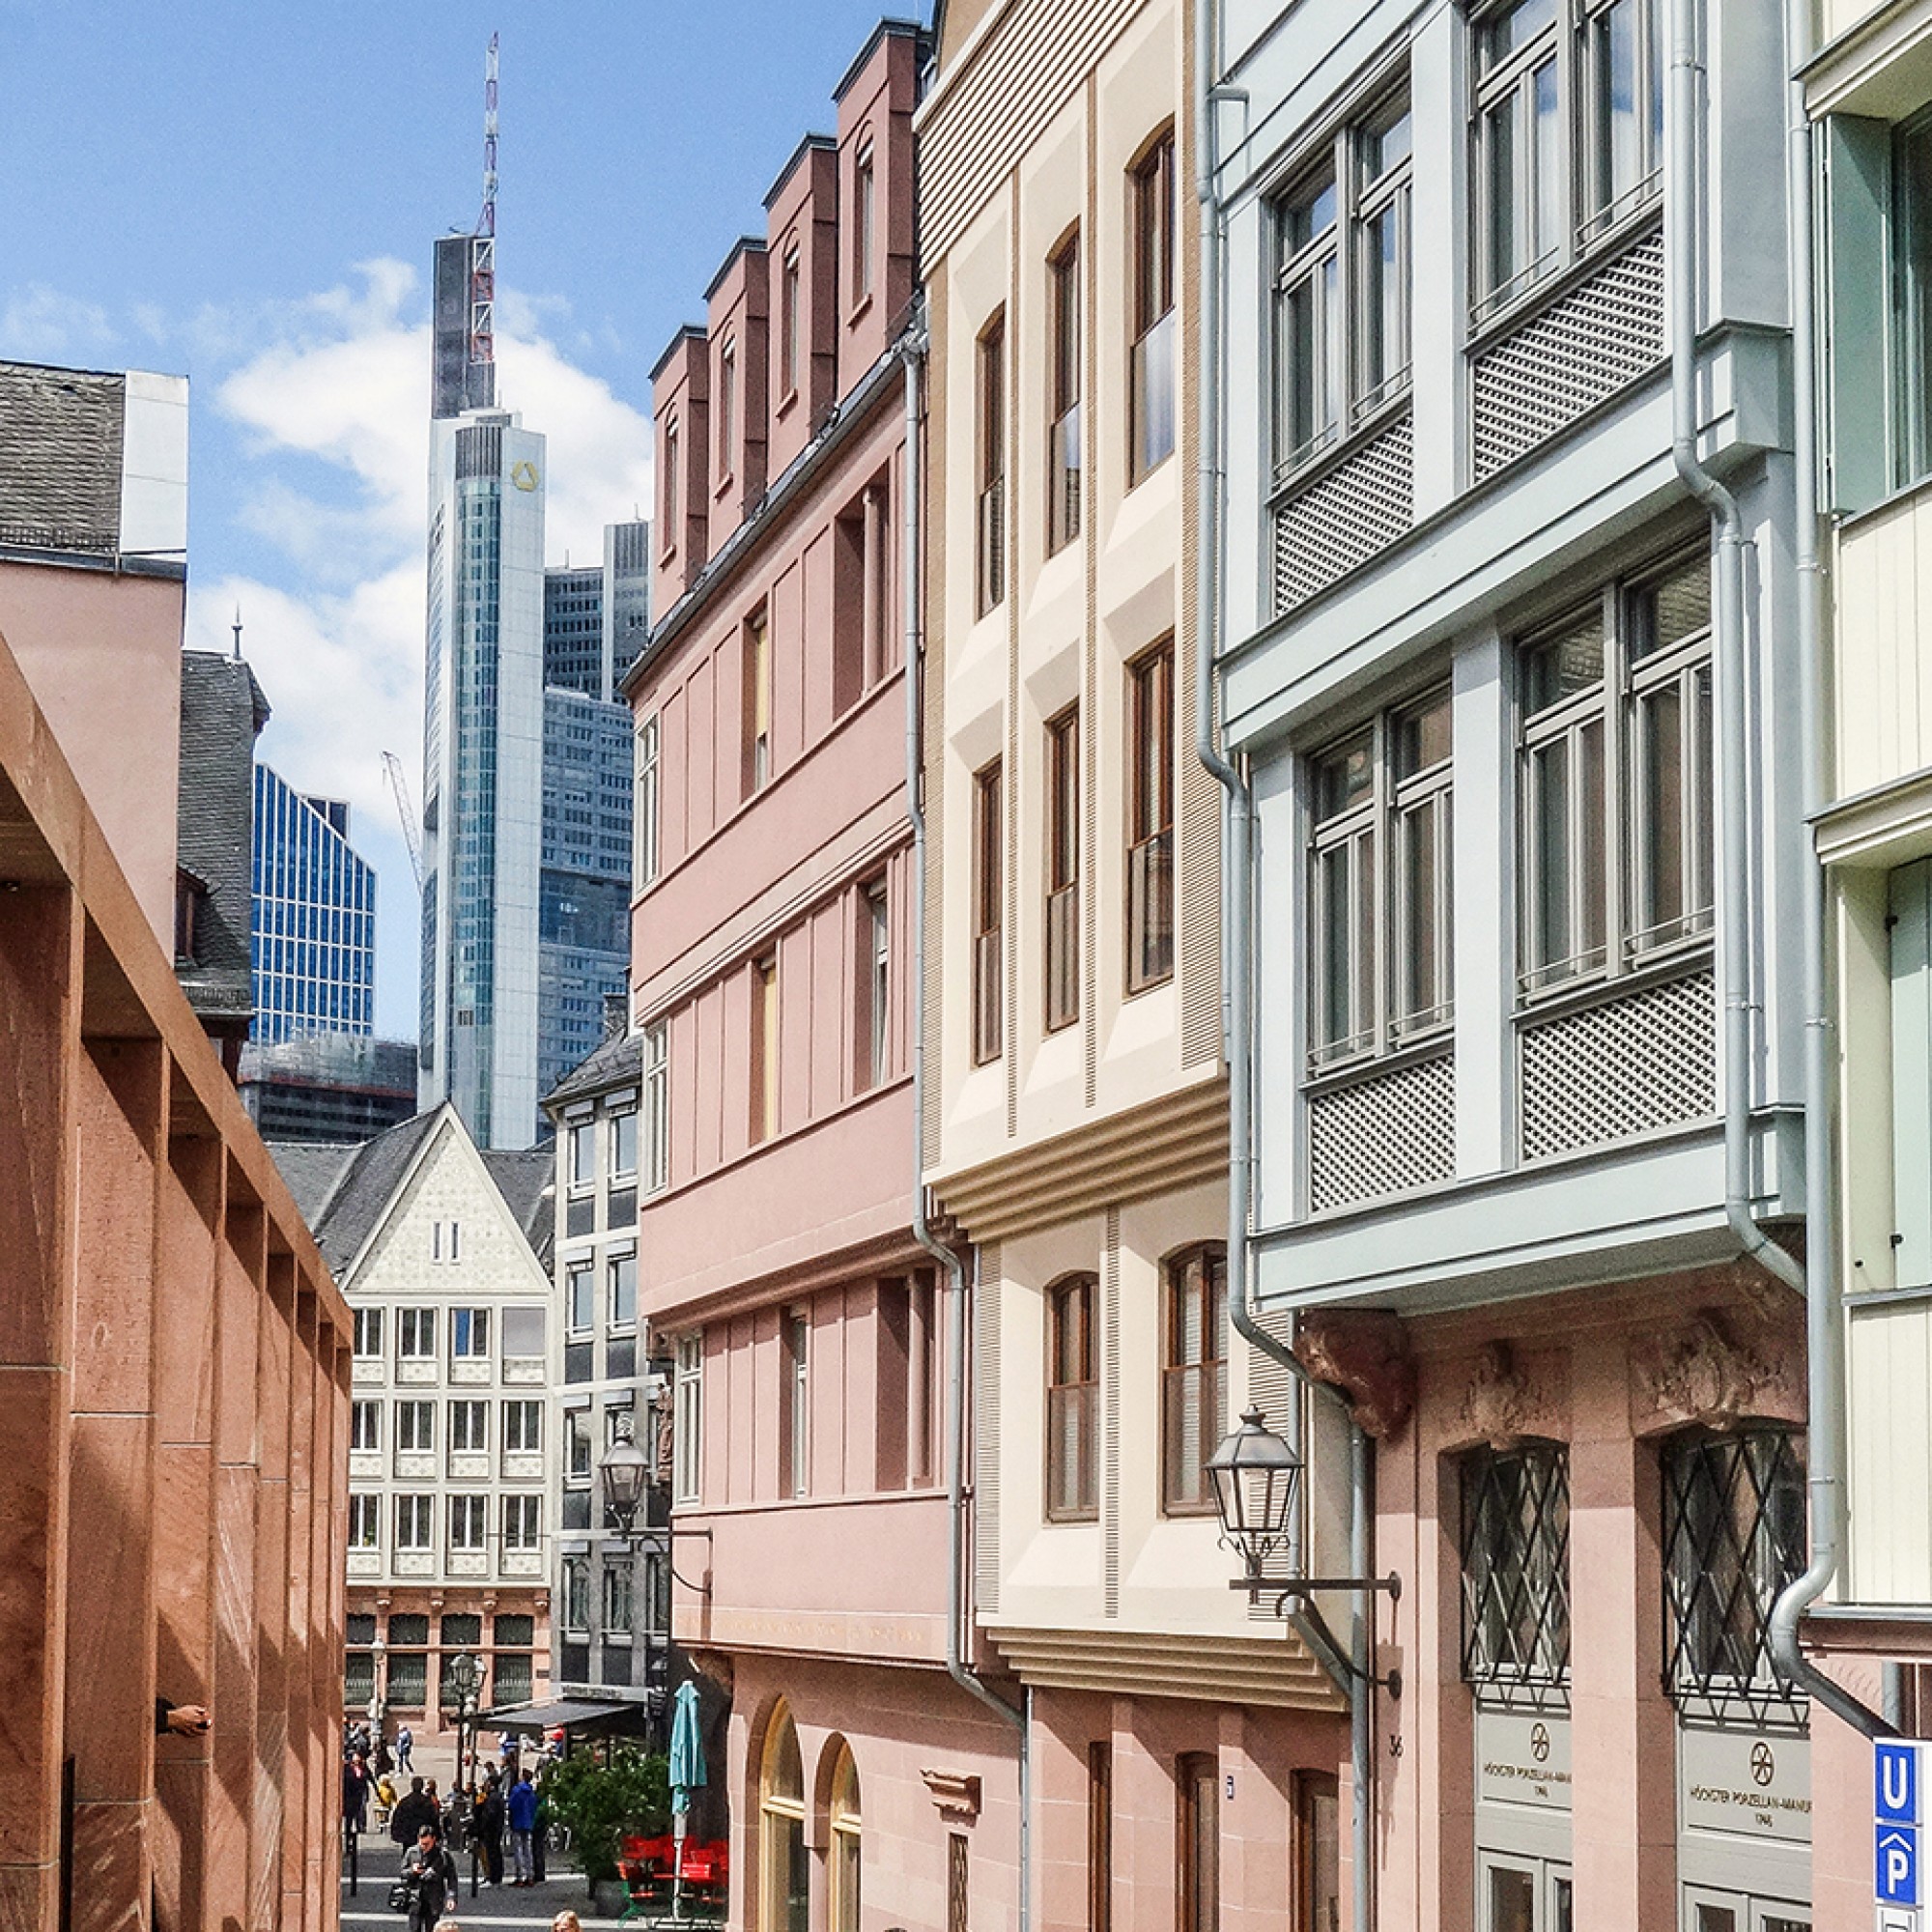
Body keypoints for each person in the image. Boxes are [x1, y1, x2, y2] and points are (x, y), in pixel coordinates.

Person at [398, 1824, 457, 1932]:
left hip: (434, 1900)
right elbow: (402, 1874)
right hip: (415, 1899)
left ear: (434, 1839)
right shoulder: (412, 1852)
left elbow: (452, 1878)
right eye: (421, 1843)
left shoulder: (442, 1855)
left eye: (427, 1844)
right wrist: (412, 1871)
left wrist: (451, 1897)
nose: (423, 1847)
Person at [506, 1767, 538, 1887]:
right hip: (528, 1822)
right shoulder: (531, 1793)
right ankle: (530, 1875)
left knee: (518, 1850)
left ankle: (519, 1876)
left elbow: (512, 1805)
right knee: (527, 1850)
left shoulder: (516, 1790)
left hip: (517, 1822)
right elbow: (534, 1807)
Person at [388, 1776, 436, 1849]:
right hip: (423, 1835)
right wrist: (436, 1834)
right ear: (422, 1786)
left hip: (408, 1836)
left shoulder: (405, 1802)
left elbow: (397, 1818)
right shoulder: (427, 1802)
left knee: (408, 1855)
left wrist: (396, 1834)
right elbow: (433, 1819)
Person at [475, 1772, 505, 1888]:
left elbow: (490, 1815)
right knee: (495, 1852)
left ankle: (493, 1877)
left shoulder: (492, 1798)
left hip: (491, 1830)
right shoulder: (497, 1796)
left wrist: (483, 1821)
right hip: (496, 1828)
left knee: (492, 1853)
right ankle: (496, 1876)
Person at [342, 1751, 371, 1835]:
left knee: (361, 1809)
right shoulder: (347, 1768)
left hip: (361, 1791)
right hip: (350, 1794)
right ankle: (348, 1828)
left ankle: (361, 1827)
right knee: (349, 1812)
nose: (358, 1761)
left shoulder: (363, 1767)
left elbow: (370, 1777)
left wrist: (377, 1791)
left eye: (359, 1759)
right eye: (356, 1760)